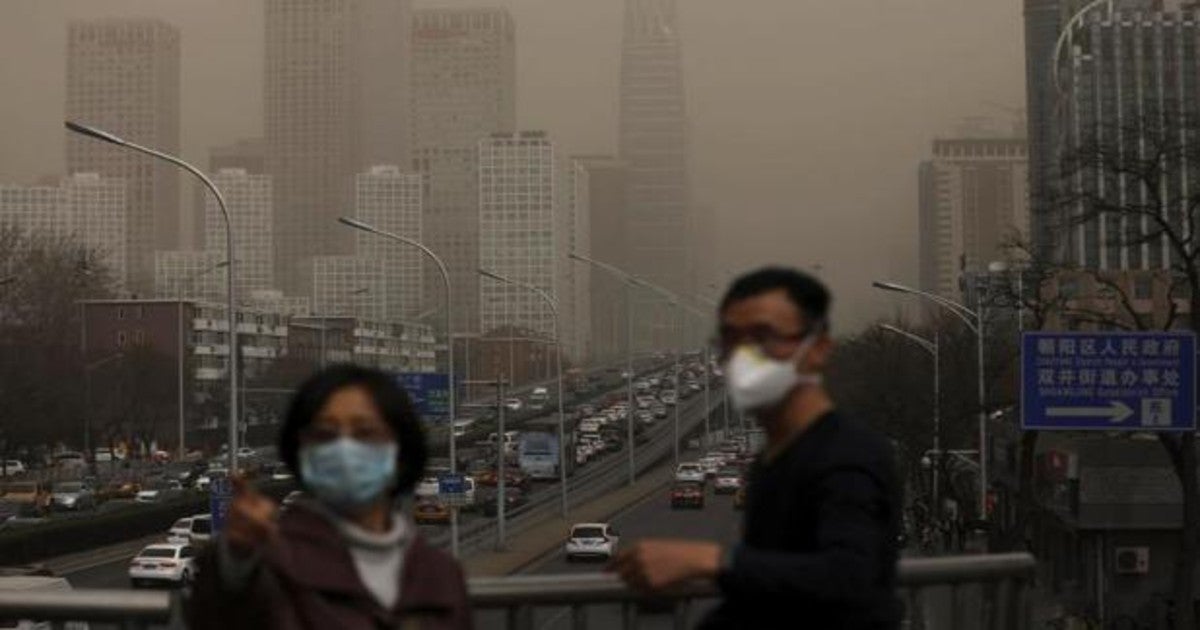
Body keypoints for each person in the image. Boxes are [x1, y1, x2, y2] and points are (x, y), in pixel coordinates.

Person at [609, 267, 902, 629]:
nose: (745, 356)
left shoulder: (847, 455)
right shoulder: (774, 460)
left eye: (764, 337)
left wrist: (709, 560)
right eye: (731, 341)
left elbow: (850, 577)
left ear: (818, 349)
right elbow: (762, 597)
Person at [189, 365, 472, 630]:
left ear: (400, 448)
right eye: (325, 434)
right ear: (301, 450)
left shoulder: (440, 575)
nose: (345, 449)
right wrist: (236, 556)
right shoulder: (268, 567)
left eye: (365, 432)